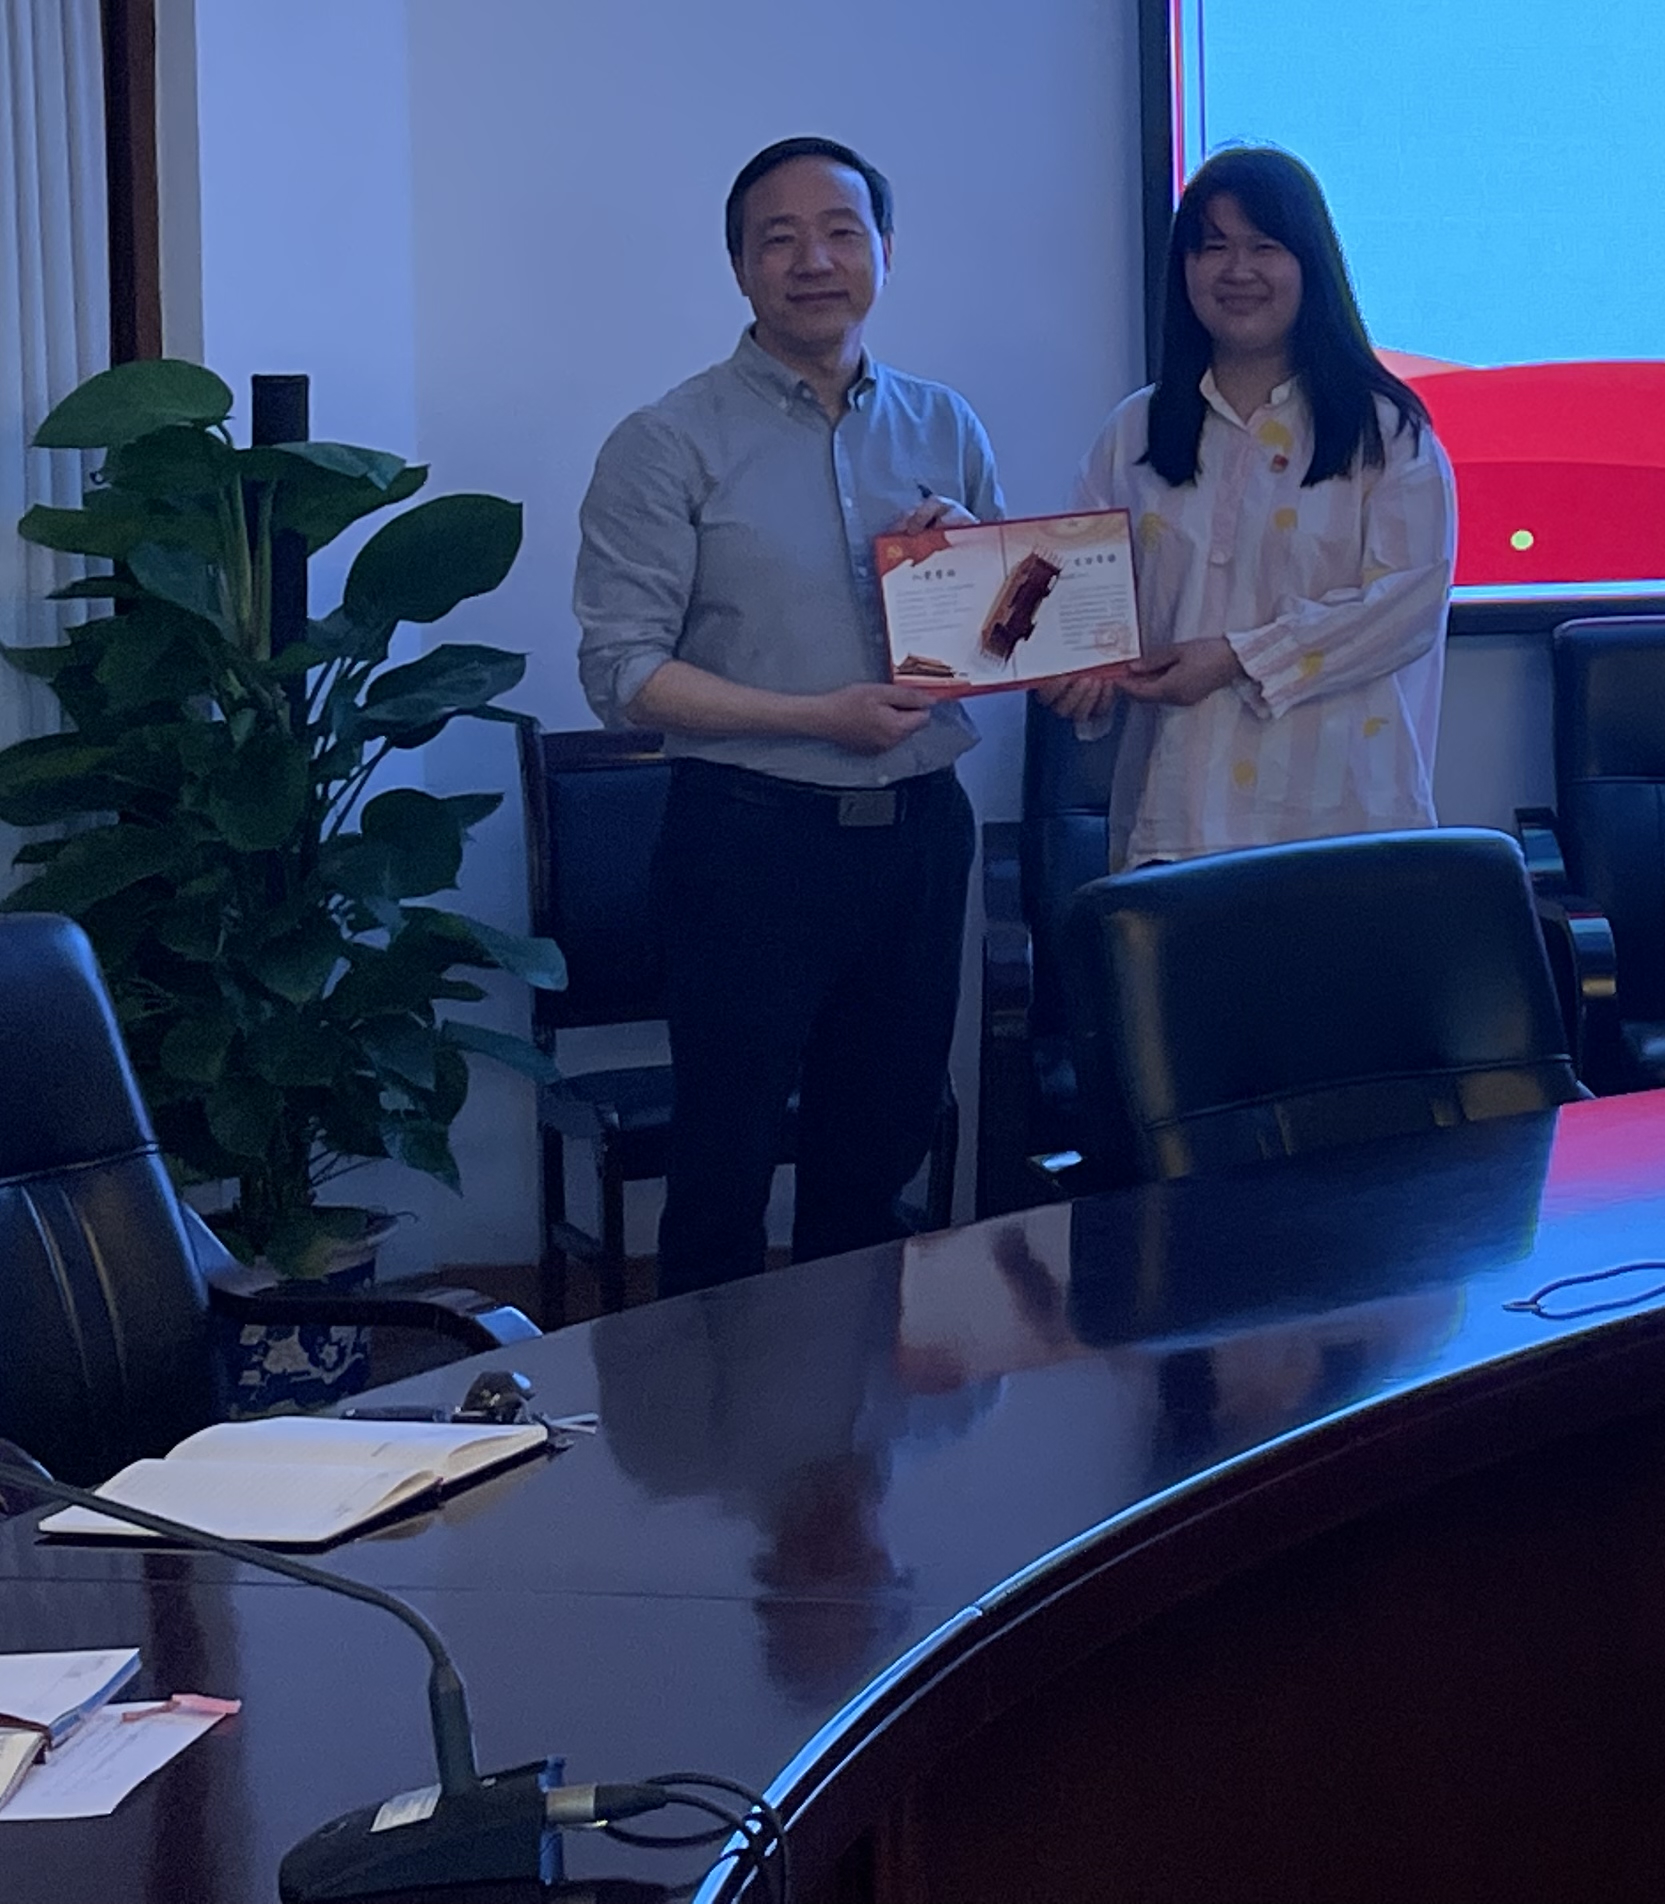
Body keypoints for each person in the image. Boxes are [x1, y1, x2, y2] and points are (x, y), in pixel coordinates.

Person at [572, 137, 1001, 1297]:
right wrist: (817, 716)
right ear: (740, 268)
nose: (815, 260)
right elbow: (622, 672)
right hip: (749, 839)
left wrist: (982, 569)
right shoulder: (666, 441)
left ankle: (847, 1410)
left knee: (877, 1163)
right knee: (724, 1170)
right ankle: (709, 1415)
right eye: (781, 238)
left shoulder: (945, 425)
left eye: (842, 232)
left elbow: (999, 638)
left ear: (885, 252)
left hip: (919, 839)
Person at [1044, 146, 1454, 869]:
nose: (1237, 271)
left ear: (1311, 264)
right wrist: (1075, 671)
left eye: (1264, 246)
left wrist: (1237, 657)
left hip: (1343, 821)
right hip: (1177, 817)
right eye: (1213, 247)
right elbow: (1083, 609)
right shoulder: (1135, 432)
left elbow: (1405, 611)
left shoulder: (1386, 432)